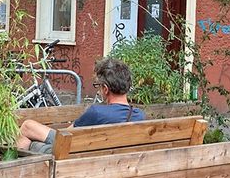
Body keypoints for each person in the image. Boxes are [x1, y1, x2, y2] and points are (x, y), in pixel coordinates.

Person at [17, 58, 145, 154]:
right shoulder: (139, 116)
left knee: (28, 128)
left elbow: (64, 138)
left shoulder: (96, 113)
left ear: (105, 89)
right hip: (108, 163)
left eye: (98, 87)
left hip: (75, 160)